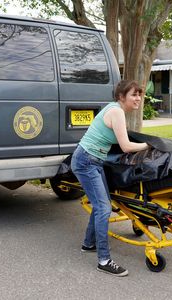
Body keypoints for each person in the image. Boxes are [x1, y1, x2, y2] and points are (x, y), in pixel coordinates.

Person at [71, 80, 149, 277]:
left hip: (93, 161)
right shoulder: (116, 112)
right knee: (104, 208)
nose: (138, 98)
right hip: (86, 161)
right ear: (122, 96)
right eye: (134, 94)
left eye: (140, 94)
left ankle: (88, 244)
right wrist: (148, 145)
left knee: (101, 204)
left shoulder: (115, 110)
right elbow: (126, 146)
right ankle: (104, 260)